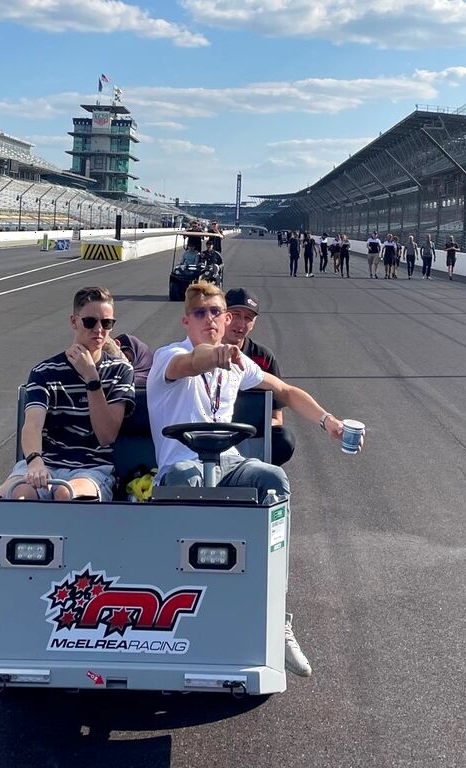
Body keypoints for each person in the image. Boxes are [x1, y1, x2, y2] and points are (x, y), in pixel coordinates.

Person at [147, 280, 360, 678]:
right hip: (183, 465)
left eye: (216, 312)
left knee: (272, 479)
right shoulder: (169, 357)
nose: (209, 319)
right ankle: (176, 611)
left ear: (226, 318)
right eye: (199, 313)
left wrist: (329, 421)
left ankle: (277, 614)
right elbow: (192, 363)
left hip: (228, 463)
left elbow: (286, 391)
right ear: (186, 321)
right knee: (185, 480)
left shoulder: (238, 365)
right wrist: (216, 355)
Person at [0, 287, 135, 501]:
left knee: (67, 494)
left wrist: (92, 378)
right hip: (45, 464)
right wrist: (35, 461)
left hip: (91, 469)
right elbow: (32, 424)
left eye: (107, 323)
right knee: (20, 494)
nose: (99, 330)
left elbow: (106, 435)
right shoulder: (45, 372)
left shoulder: (120, 371)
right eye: (90, 322)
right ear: (74, 321)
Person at [223, 288, 296, 466]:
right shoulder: (201, 354)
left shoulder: (262, 357)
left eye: (248, 318)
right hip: (212, 429)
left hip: (251, 432)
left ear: (254, 323)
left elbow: (277, 417)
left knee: (284, 440)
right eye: (235, 315)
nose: (241, 324)